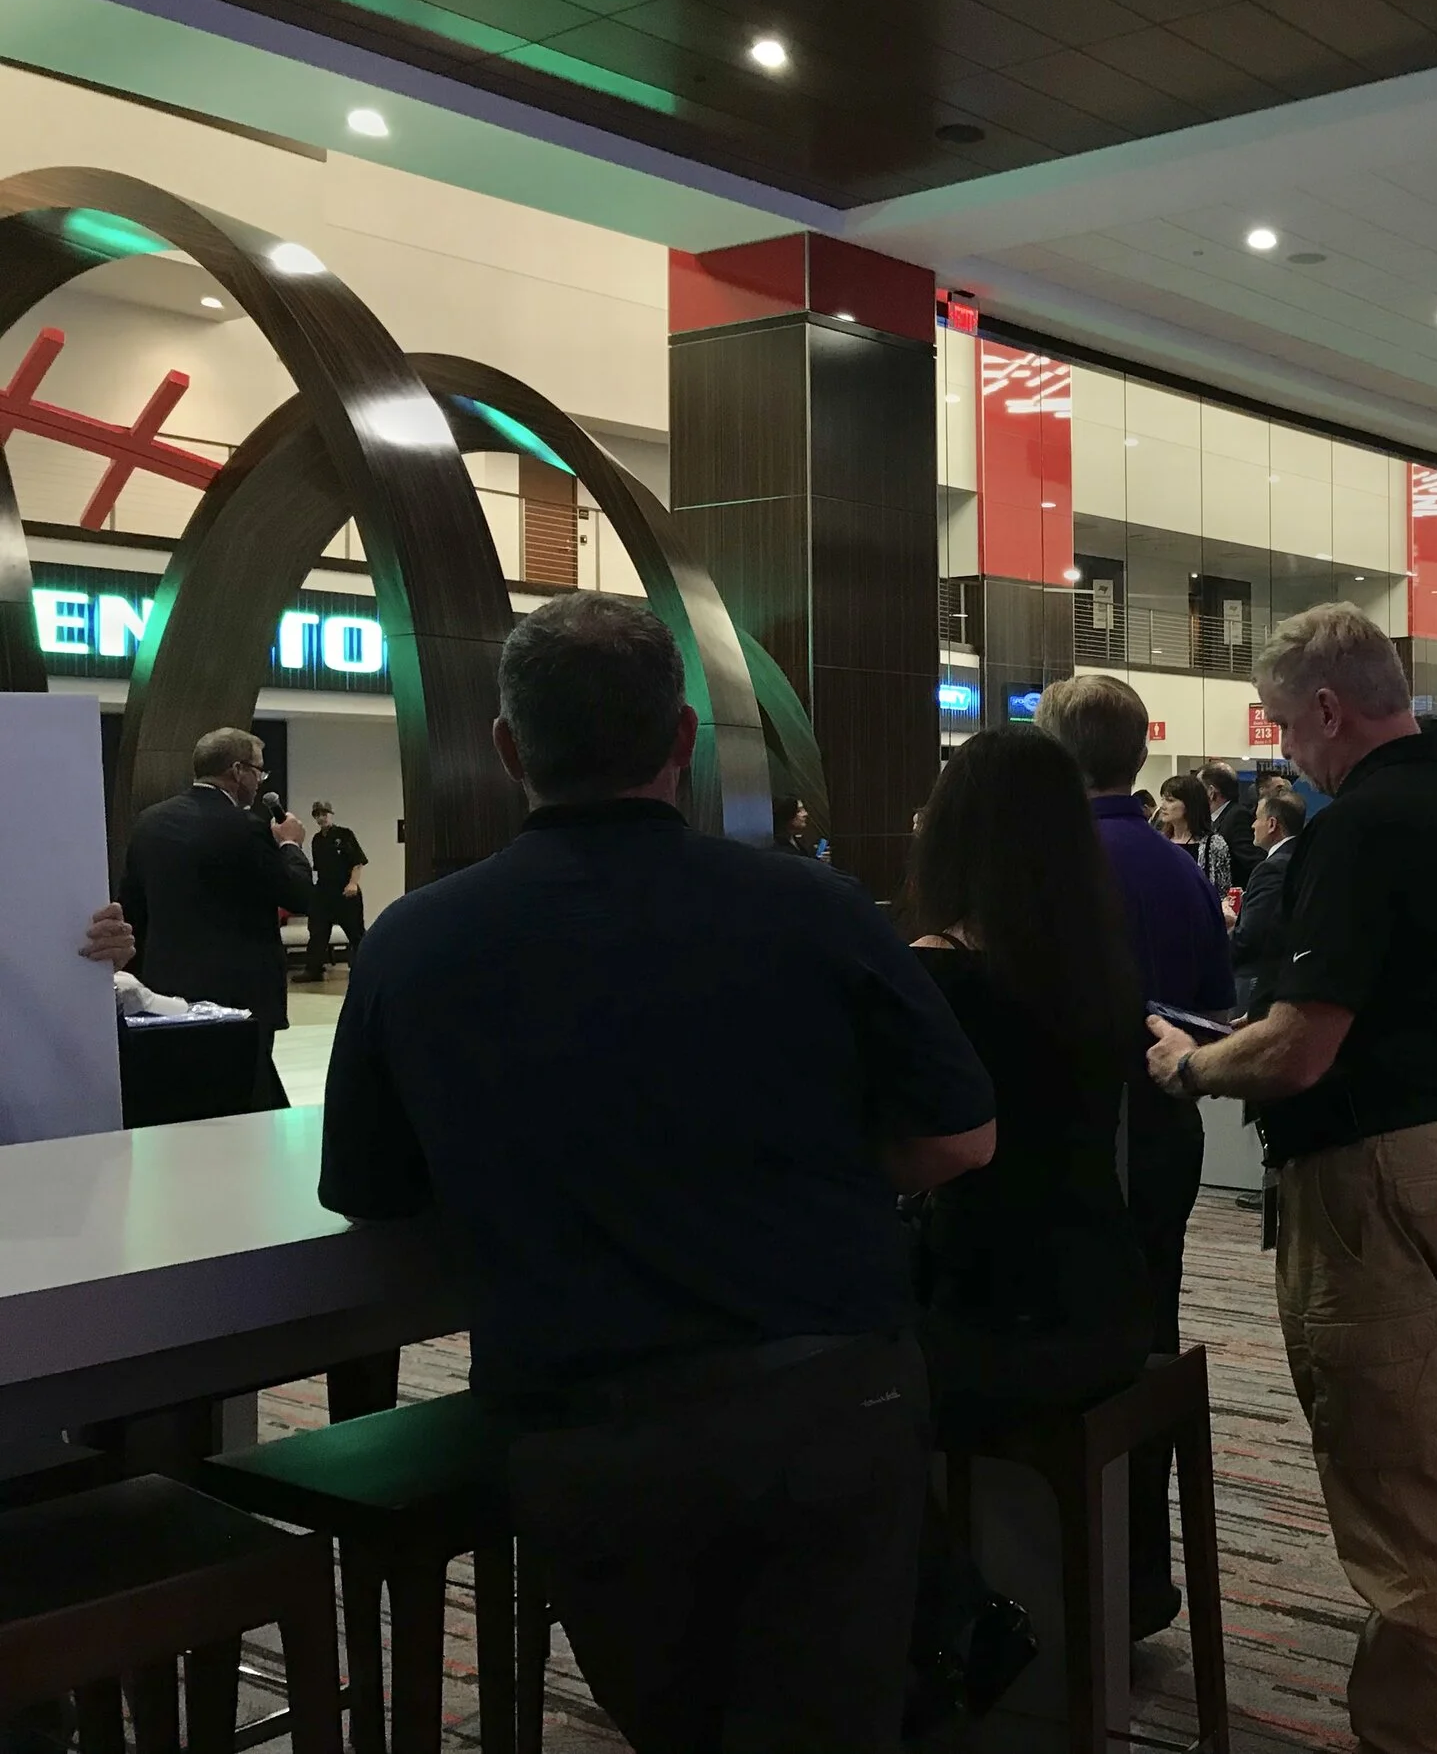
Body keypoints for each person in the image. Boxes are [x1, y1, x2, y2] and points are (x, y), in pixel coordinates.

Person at [319, 593, 998, 1750]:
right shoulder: (814, 908)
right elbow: (959, 1138)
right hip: (829, 1398)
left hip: (588, 1427)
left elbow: (375, 1193)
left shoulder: (415, 941)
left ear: (506, 748)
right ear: (682, 741)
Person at [1139, 603, 1437, 1754]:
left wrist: (1190, 1062)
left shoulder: (1356, 831)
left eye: (1278, 723)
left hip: (1372, 1176)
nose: (1278, 749)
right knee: (1422, 1465)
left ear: (1324, 709)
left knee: (1392, 1492)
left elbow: (1302, 1044)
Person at [1035, 674, 1234, 1637]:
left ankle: (1079, 1590)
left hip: (1081, 1145)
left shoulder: (1048, 867)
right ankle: (1142, 1577)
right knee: (1151, 1339)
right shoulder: (1178, 865)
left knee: (1077, 1360)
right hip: (1167, 1134)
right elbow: (1216, 1004)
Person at [903, 727, 1151, 1441]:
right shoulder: (1099, 961)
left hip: (990, 1308)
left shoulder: (937, 967)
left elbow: (927, 1149)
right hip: (1107, 1289)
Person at [119, 726, 316, 1109]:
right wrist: (291, 845)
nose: (260, 782)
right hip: (240, 994)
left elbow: (132, 908)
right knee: (243, 1101)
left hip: (168, 988)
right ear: (238, 770)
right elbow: (298, 896)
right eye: (258, 772)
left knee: (181, 1099)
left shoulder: (150, 822)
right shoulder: (245, 827)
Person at [1232, 789, 1306, 1014]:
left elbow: (1252, 936)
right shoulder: (1305, 856)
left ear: (1272, 824)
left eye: (1257, 818)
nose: (1253, 825)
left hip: (1258, 978)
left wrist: (1212, 954)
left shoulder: (1272, 868)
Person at [299, 800, 368, 982]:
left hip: (345, 890)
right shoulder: (316, 840)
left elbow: (357, 862)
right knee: (317, 932)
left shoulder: (344, 835)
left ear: (331, 814)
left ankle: (367, 966)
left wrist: (353, 884)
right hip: (323, 891)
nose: (321, 818)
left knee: (356, 933)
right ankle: (313, 970)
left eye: (324, 814)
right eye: (317, 815)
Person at [1157, 773, 1233, 892]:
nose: (1163, 806)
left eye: (1170, 800)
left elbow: (1222, 891)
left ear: (1189, 804)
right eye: (1163, 799)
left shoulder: (1213, 844)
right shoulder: (1159, 841)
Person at [1199, 760, 1260, 888]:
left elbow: (1252, 861)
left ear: (1211, 791)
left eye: (1198, 788)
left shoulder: (1237, 816)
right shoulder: (1213, 818)